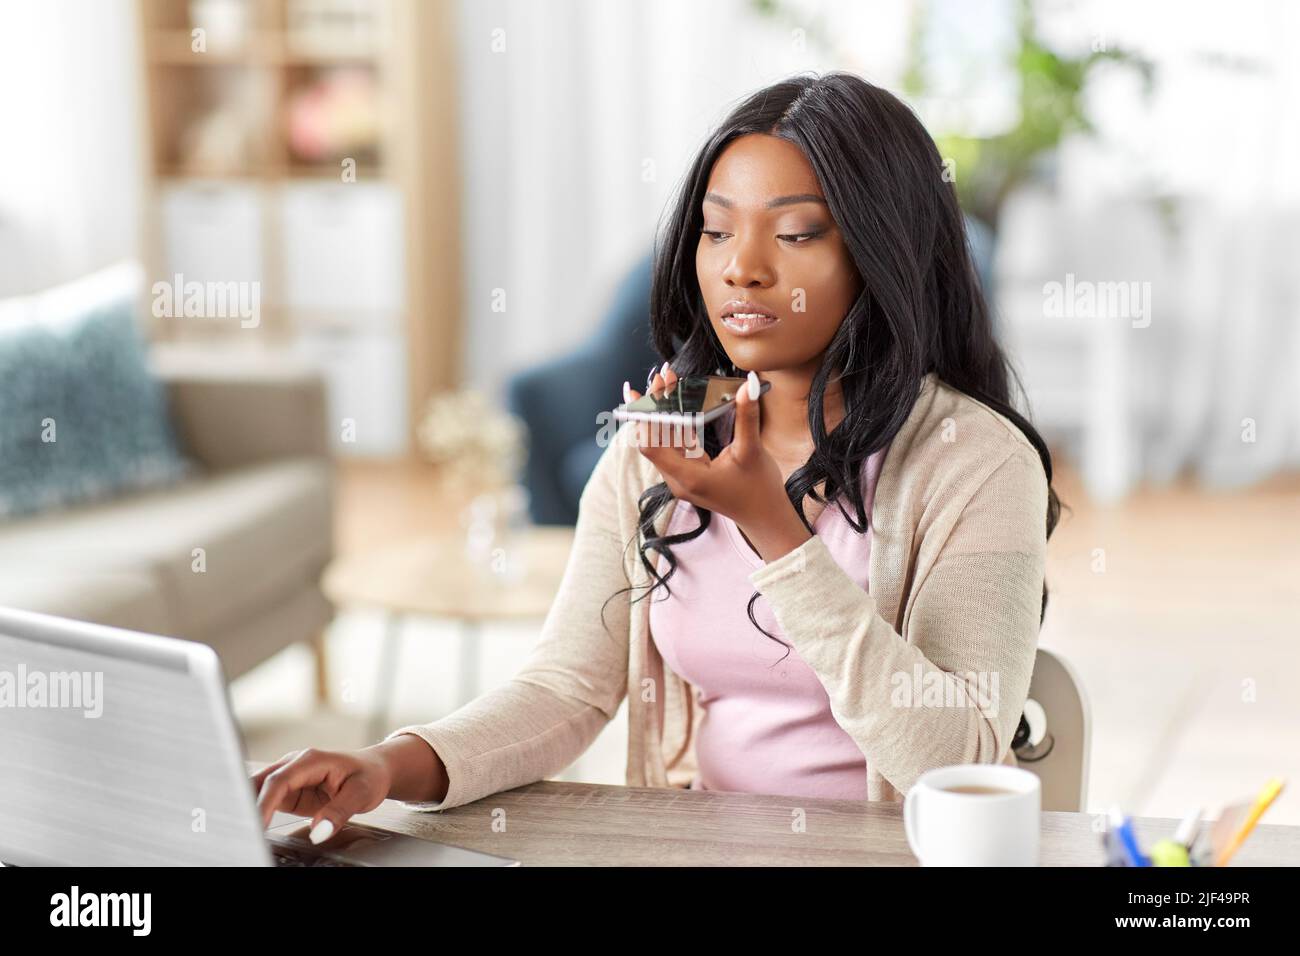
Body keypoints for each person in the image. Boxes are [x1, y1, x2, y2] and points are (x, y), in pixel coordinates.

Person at [252, 71, 1060, 845]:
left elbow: (959, 762)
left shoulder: (976, 464)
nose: (742, 265)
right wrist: (386, 765)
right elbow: (566, 687)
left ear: (886, 251)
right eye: (716, 230)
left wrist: (777, 534)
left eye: (795, 232)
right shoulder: (669, 440)